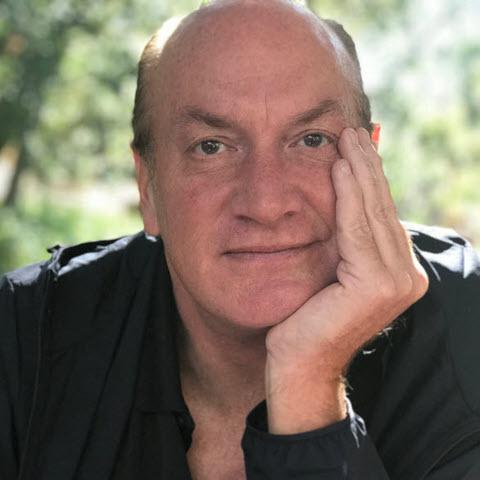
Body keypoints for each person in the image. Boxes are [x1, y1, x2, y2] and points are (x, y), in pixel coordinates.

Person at [1, 0, 479, 478]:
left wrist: (307, 383)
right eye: (211, 147)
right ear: (148, 186)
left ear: (369, 164)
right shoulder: (23, 341)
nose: (266, 204)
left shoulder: (469, 332)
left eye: (312, 139)